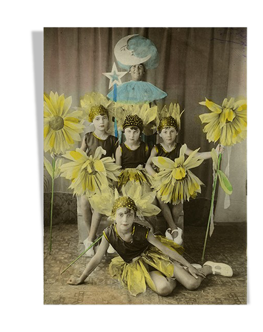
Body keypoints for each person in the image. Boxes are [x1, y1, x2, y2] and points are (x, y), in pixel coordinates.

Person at [67, 195, 233, 297]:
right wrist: (81, 278)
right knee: (164, 289)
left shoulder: (142, 231)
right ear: (114, 217)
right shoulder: (109, 233)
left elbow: (165, 249)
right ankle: (174, 277)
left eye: (129, 214)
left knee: (192, 284)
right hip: (141, 267)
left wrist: (189, 266)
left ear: (134, 216)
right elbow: (96, 258)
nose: (125, 219)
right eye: (121, 215)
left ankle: (207, 268)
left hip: (157, 258)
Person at [145, 113, 223, 245]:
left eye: (172, 131)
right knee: (162, 200)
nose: (169, 135)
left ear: (177, 133)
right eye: (165, 132)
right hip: (162, 182)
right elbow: (147, 165)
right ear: (160, 134)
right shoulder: (156, 148)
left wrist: (214, 153)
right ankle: (174, 229)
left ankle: (171, 228)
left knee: (177, 206)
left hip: (177, 181)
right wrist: (156, 176)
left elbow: (196, 155)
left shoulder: (181, 147)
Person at [79, 104, 118, 256]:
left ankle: (90, 239)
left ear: (108, 120)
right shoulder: (88, 137)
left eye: (104, 118)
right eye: (97, 119)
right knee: (84, 201)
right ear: (92, 121)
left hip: (106, 178)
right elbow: (80, 156)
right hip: (91, 175)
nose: (101, 122)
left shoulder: (113, 140)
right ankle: (92, 236)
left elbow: (117, 161)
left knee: (99, 203)